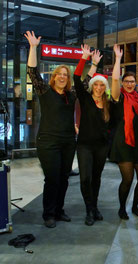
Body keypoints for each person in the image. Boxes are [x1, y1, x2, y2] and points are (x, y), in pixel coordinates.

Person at [25, 31, 76, 228]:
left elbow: (86, 82)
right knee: (52, 178)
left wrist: (92, 63)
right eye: (59, 75)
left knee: (63, 179)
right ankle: (48, 213)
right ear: (54, 78)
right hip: (48, 142)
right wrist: (33, 47)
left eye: (65, 75)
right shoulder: (45, 91)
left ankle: (59, 210)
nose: (62, 77)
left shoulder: (70, 95)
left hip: (68, 142)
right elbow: (32, 72)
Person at [110, 45, 138, 220]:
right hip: (123, 143)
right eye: (127, 81)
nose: (130, 84)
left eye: (132, 81)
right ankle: (121, 208)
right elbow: (115, 81)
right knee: (127, 180)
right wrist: (118, 59)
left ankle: (135, 206)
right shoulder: (119, 97)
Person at [73, 45, 110, 226]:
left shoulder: (108, 104)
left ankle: (94, 206)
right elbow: (76, 79)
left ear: (105, 87)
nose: (98, 87)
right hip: (85, 145)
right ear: (92, 86)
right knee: (85, 178)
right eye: (96, 84)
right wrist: (87, 60)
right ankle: (89, 209)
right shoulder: (85, 98)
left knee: (96, 178)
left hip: (101, 147)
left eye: (101, 84)